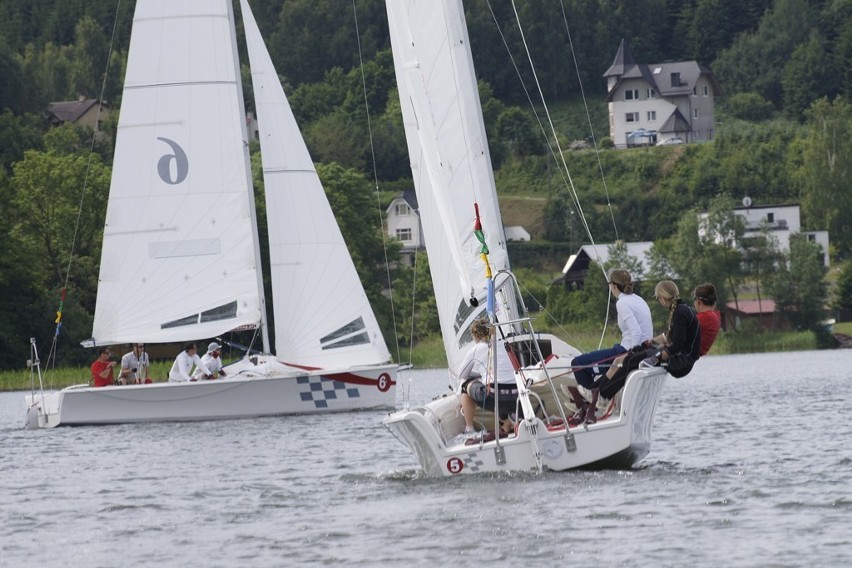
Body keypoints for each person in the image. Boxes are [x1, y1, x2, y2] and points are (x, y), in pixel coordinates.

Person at [567, 268, 653, 424]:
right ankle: (589, 400)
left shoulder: (622, 303)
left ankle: (592, 404)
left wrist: (630, 356)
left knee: (578, 364)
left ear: (613, 286)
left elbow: (636, 332)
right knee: (586, 364)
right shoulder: (638, 300)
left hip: (626, 350)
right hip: (635, 348)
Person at [457, 318, 519, 440]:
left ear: (475, 335)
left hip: (493, 398)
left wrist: (479, 375)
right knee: (501, 387)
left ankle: (469, 429)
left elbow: (462, 375)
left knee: (465, 385)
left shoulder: (477, 348)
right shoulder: (505, 345)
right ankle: (508, 420)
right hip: (516, 397)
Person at [693, 282, 721, 356]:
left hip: (684, 357)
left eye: (694, 299)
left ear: (698, 301)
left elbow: (675, 333)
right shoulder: (715, 315)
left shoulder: (705, 317)